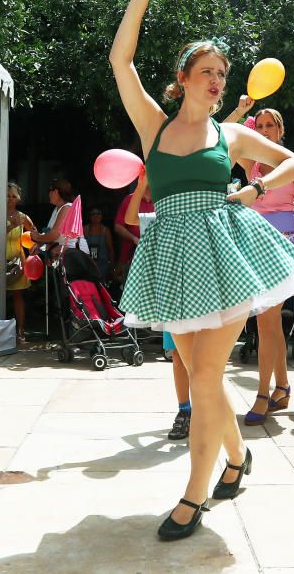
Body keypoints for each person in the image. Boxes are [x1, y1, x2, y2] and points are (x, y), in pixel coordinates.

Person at [110, 0, 294, 541]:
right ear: (183, 78)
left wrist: (250, 190)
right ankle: (238, 455)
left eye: (222, 73)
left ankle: (194, 495)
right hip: (176, 259)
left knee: (203, 375)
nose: (217, 80)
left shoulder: (231, 136)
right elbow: (121, 64)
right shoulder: (153, 126)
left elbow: (293, 163)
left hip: (224, 258)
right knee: (199, 371)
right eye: (207, 72)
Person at [234, 106, 294, 426]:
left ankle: (262, 393)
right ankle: (281, 387)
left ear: (281, 129)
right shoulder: (251, 162)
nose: (266, 129)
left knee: (266, 320)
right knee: (267, 321)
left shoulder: (293, 164)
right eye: (261, 125)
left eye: (272, 125)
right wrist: (241, 110)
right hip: (255, 240)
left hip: (284, 240)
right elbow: (222, 131)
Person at [124, 171, 190, 440]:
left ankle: (204, 410)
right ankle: (185, 410)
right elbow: (130, 218)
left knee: (202, 360)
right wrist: (141, 186)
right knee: (178, 358)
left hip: (199, 295)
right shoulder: (157, 218)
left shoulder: (196, 217)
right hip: (172, 299)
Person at [0, 182, 35, 344]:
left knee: (18, 295)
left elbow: (35, 234)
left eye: (13, 196)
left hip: (17, 259)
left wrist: (33, 252)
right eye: (7, 196)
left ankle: (20, 332)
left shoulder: (23, 216)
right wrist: (12, 226)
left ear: (18, 198)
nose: (10, 199)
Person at [31, 178, 89, 260]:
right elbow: (49, 233)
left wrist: (37, 237)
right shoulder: (57, 209)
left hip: (75, 257)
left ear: (56, 192)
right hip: (66, 256)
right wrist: (39, 245)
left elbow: (54, 235)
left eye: (49, 190)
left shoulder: (67, 208)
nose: (48, 193)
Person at [113, 182, 154, 281]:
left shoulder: (161, 202)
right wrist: (133, 238)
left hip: (153, 257)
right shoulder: (130, 200)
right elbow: (118, 227)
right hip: (130, 258)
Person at [84, 207, 114, 282]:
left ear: (102, 216)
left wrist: (112, 266)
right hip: (88, 264)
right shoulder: (84, 229)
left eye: (98, 213)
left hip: (102, 265)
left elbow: (110, 249)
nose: (96, 216)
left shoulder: (106, 231)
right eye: (93, 214)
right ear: (89, 216)